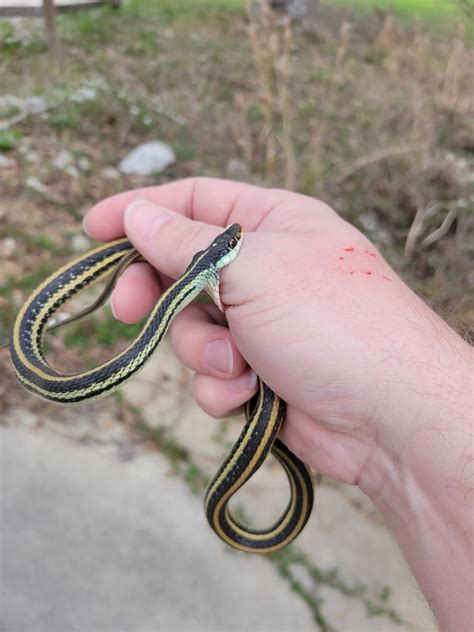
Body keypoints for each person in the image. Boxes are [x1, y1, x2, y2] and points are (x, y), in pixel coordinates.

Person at [84, 177, 472, 631]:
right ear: (214, 259)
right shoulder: (203, 270)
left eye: (231, 242)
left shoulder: (218, 283)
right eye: (229, 245)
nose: (235, 242)